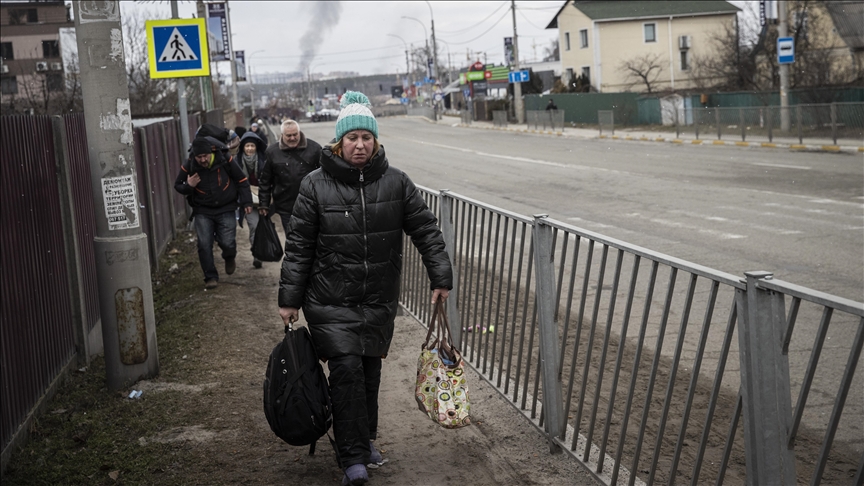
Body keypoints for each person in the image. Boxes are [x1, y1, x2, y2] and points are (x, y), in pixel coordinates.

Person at [278, 91, 453, 486]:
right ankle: (353, 457)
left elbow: (426, 230)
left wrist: (440, 276)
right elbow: (299, 247)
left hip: (377, 300)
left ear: (376, 142)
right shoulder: (314, 186)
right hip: (329, 300)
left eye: (366, 138)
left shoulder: (397, 183)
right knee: (346, 372)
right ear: (339, 142)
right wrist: (288, 300)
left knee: (369, 372)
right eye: (352, 138)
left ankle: (365, 440)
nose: (360, 145)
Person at [174, 136, 252, 289]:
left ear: (211, 152)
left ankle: (229, 256)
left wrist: (247, 202)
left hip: (226, 207)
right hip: (202, 209)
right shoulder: (189, 164)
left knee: (228, 242)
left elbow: (241, 180)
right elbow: (178, 185)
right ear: (194, 156)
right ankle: (210, 277)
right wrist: (189, 186)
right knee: (204, 244)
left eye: (205, 156)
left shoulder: (225, 159)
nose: (202, 160)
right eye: (199, 157)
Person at [258, 119, 322, 235]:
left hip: (311, 205)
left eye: (295, 134)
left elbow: (325, 177)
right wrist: (264, 203)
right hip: (286, 206)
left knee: (312, 238)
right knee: (293, 239)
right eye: (289, 135)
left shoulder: (315, 149)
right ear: (282, 135)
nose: (292, 138)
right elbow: (265, 180)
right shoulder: (272, 152)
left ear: (299, 132)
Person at [238, 130, 268, 268]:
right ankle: (257, 254)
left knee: (264, 228)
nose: (249, 149)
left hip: (264, 201)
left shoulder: (264, 161)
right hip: (248, 202)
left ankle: (262, 249)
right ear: (243, 147)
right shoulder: (237, 163)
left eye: (252, 146)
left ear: (256, 147)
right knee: (254, 226)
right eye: (247, 146)